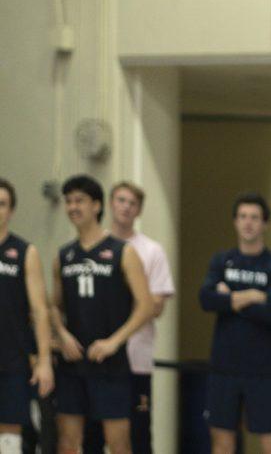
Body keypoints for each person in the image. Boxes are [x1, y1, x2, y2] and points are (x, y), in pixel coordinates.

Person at [50, 174, 154, 454]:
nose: (73, 207)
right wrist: (61, 336)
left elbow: (145, 306)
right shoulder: (63, 255)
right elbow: (54, 307)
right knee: (68, 442)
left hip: (110, 365)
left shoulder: (123, 252)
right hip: (72, 363)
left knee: (118, 443)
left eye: (79, 201)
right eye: (69, 201)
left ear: (96, 206)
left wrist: (114, 341)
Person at [83, 181, 175, 454]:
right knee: (93, 436)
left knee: (138, 436)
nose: (125, 207)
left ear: (139, 210)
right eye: (121, 200)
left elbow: (156, 305)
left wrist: (125, 300)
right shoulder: (91, 248)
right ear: (109, 205)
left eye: (132, 203)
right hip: (97, 358)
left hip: (135, 360)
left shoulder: (151, 251)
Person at [199, 192, 271, 454]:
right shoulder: (221, 261)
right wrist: (253, 296)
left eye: (254, 217)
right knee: (222, 444)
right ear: (235, 222)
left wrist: (231, 298)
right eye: (242, 217)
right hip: (223, 368)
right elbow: (206, 299)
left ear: (265, 224)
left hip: (263, 371)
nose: (248, 223)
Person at [0, 178, 54, 454]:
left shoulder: (24, 252)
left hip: (12, 357)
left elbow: (40, 311)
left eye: (2, 204)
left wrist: (44, 361)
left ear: (11, 211)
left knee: (10, 430)